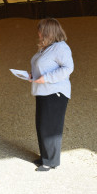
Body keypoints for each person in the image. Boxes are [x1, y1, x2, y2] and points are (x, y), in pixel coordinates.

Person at [28, 18, 74, 171]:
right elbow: (42, 67)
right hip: (43, 91)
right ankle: (45, 156)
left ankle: (50, 162)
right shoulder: (46, 48)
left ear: (48, 32)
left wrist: (46, 78)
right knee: (42, 125)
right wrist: (32, 75)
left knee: (51, 128)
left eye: (40, 30)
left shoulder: (61, 48)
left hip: (55, 93)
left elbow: (68, 68)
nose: (38, 33)